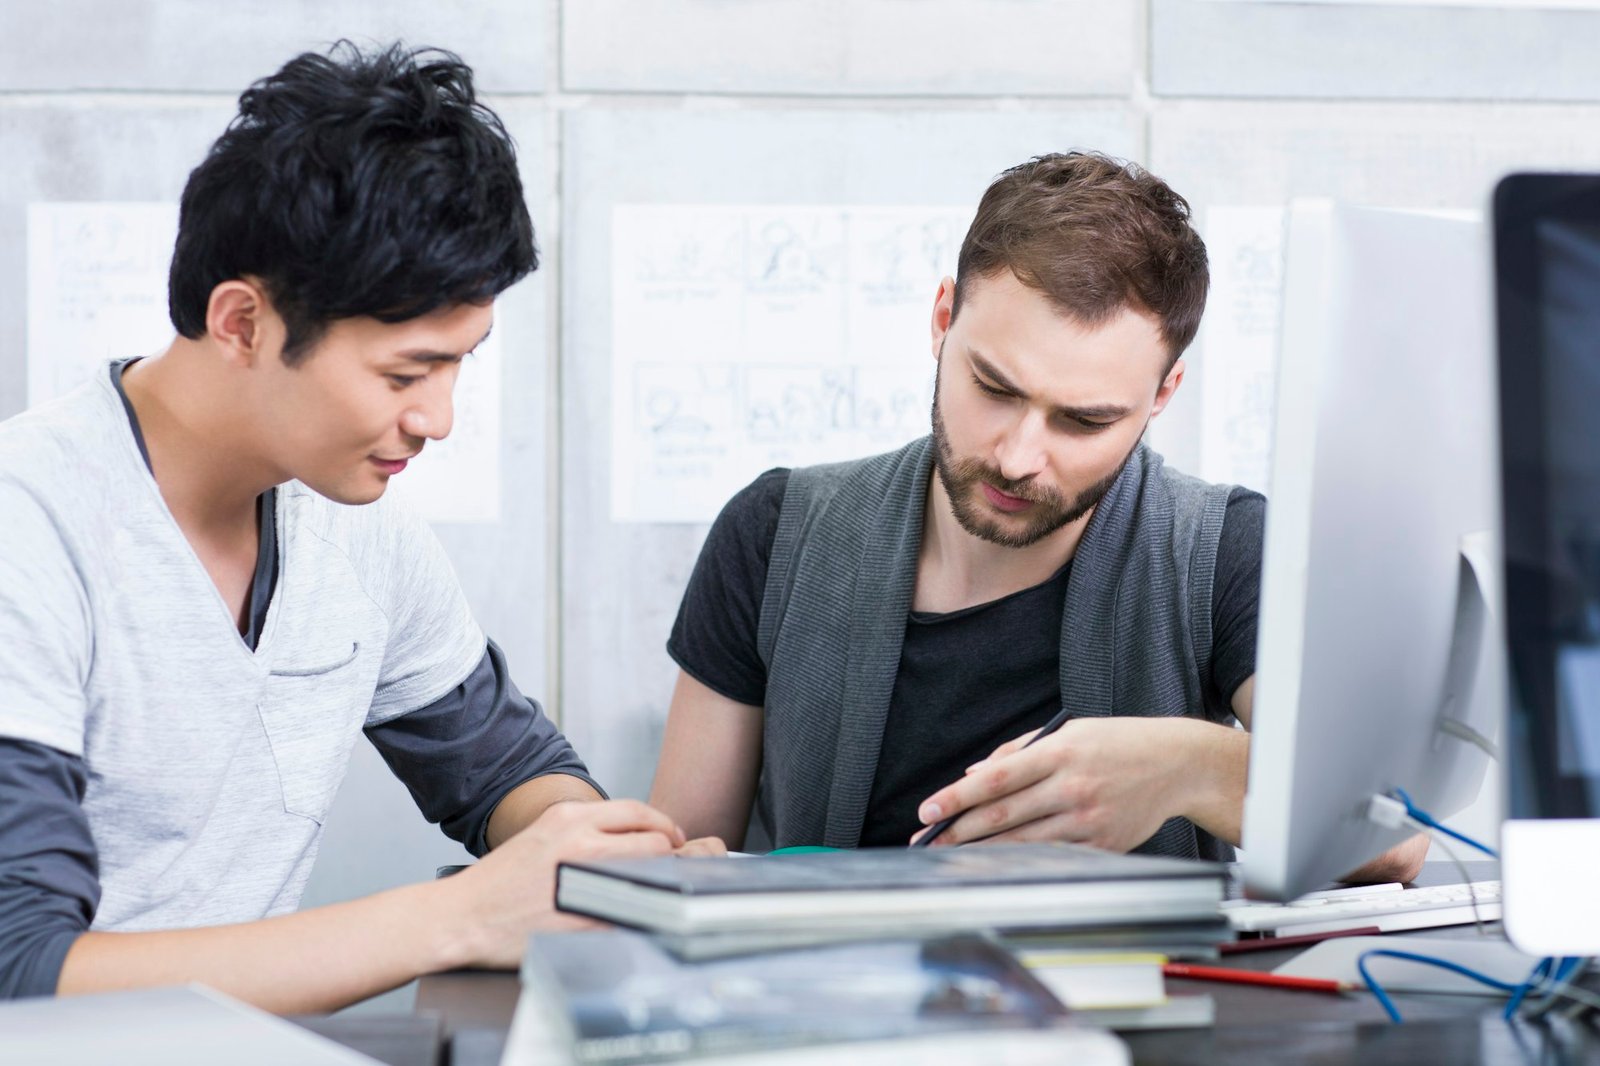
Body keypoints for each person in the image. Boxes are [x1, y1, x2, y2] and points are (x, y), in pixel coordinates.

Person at [0, 42, 716, 1013]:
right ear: (242, 322)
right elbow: (22, 975)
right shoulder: (29, 524)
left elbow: (510, 769)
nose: (439, 419)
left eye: (460, 365)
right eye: (404, 374)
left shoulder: (358, 530)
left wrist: (592, 862)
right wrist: (464, 915)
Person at [650, 152, 1427, 881]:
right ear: (942, 319)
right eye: (994, 387)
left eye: (1083, 422)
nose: (1020, 456)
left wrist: (1185, 767)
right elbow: (669, 876)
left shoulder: (1222, 552)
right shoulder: (776, 533)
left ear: (1162, 394)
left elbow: (1397, 838)